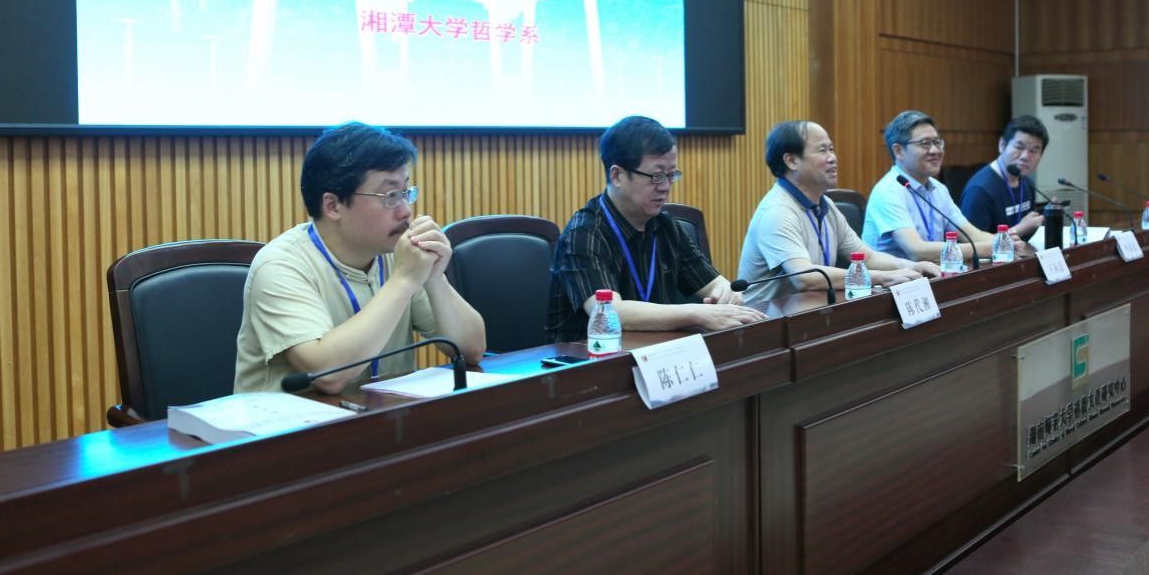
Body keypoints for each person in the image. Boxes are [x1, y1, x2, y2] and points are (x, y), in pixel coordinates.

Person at [235, 122, 486, 394]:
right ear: (333, 205)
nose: (405, 211)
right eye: (390, 195)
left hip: (385, 414)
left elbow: (472, 350)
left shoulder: (397, 255)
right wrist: (403, 280)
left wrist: (435, 277)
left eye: (405, 193)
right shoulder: (280, 266)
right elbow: (326, 375)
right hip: (293, 420)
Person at [547, 115, 766, 342]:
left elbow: (714, 284)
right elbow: (610, 312)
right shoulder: (584, 233)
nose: (665, 187)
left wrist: (726, 294)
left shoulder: (667, 227)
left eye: (671, 175)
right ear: (617, 175)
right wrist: (696, 313)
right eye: (657, 176)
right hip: (588, 358)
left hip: (656, 354)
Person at [738, 120, 940, 306]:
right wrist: (881, 277)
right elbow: (804, 277)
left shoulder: (825, 205)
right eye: (822, 150)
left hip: (813, 310)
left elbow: (868, 258)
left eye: (832, 149)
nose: (832, 158)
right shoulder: (777, 212)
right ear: (792, 161)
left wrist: (911, 266)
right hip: (768, 321)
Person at [862, 110, 1005, 263]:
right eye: (925, 143)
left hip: (933, 273)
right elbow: (916, 251)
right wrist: (985, 248)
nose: (935, 151)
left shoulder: (939, 189)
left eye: (937, 142)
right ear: (899, 151)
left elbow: (973, 235)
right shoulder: (888, 191)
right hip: (893, 277)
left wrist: (1004, 241)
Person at [960, 115, 1049, 241]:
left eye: (1033, 151)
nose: (1025, 156)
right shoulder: (979, 190)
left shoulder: (1027, 183)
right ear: (1002, 145)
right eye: (1019, 147)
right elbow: (971, 245)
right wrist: (1020, 229)